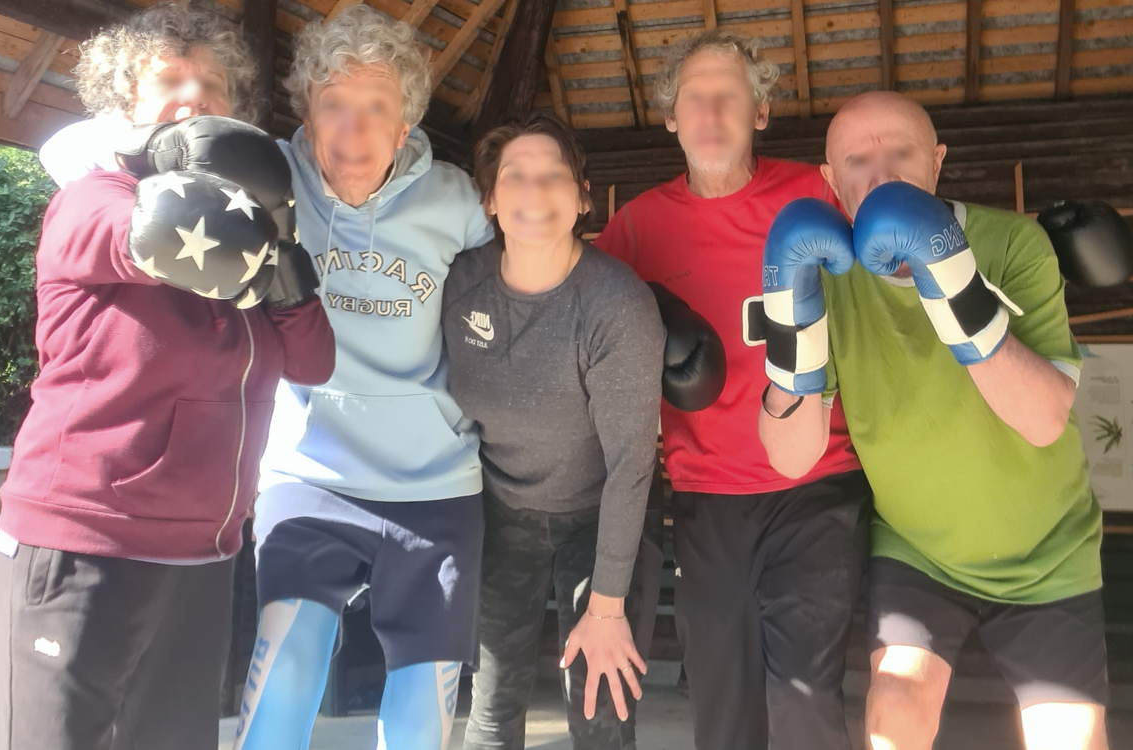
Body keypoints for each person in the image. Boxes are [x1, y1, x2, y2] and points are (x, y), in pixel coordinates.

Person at [0, 5, 336, 750]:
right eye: (170, 81)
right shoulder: (92, 198)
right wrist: (257, 227)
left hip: (203, 553)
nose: (195, 97)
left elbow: (313, 361)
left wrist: (286, 269)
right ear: (125, 105)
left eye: (213, 84)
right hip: (85, 542)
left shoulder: (259, 236)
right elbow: (154, 235)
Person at [760, 90, 1109, 750]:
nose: (881, 175)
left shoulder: (1013, 244)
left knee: (1070, 740)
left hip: (1048, 551)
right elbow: (790, 456)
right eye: (856, 160)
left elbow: (1043, 420)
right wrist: (791, 336)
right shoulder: (827, 274)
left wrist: (947, 276)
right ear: (830, 179)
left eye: (901, 153)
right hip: (918, 552)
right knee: (894, 710)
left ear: (938, 160)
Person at [593, 29, 870, 750]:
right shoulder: (637, 228)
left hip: (817, 482)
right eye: (695, 98)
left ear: (760, 112)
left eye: (729, 96)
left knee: (804, 699)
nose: (711, 111)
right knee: (721, 700)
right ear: (671, 117)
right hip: (706, 498)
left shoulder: (815, 194)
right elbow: (584, 332)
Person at [231, 7, 494, 750]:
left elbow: (511, 304)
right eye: (333, 103)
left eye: (377, 106)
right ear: (306, 112)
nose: (354, 126)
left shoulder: (456, 202)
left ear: (407, 120)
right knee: (286, 667)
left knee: (422, 700)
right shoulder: (269, 182)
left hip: (435, 480)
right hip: (308, 468)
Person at [445, 113, 720, 750]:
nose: (534, 191)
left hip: (600, 513)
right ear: (490, 198)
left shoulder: (614, 303)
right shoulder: (460, 284)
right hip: (500, 508)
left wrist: (606, 608)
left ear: (582, 196)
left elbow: (630, 464)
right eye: (514, 176)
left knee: (600, 705)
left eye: (554, 175)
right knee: (492, 702)